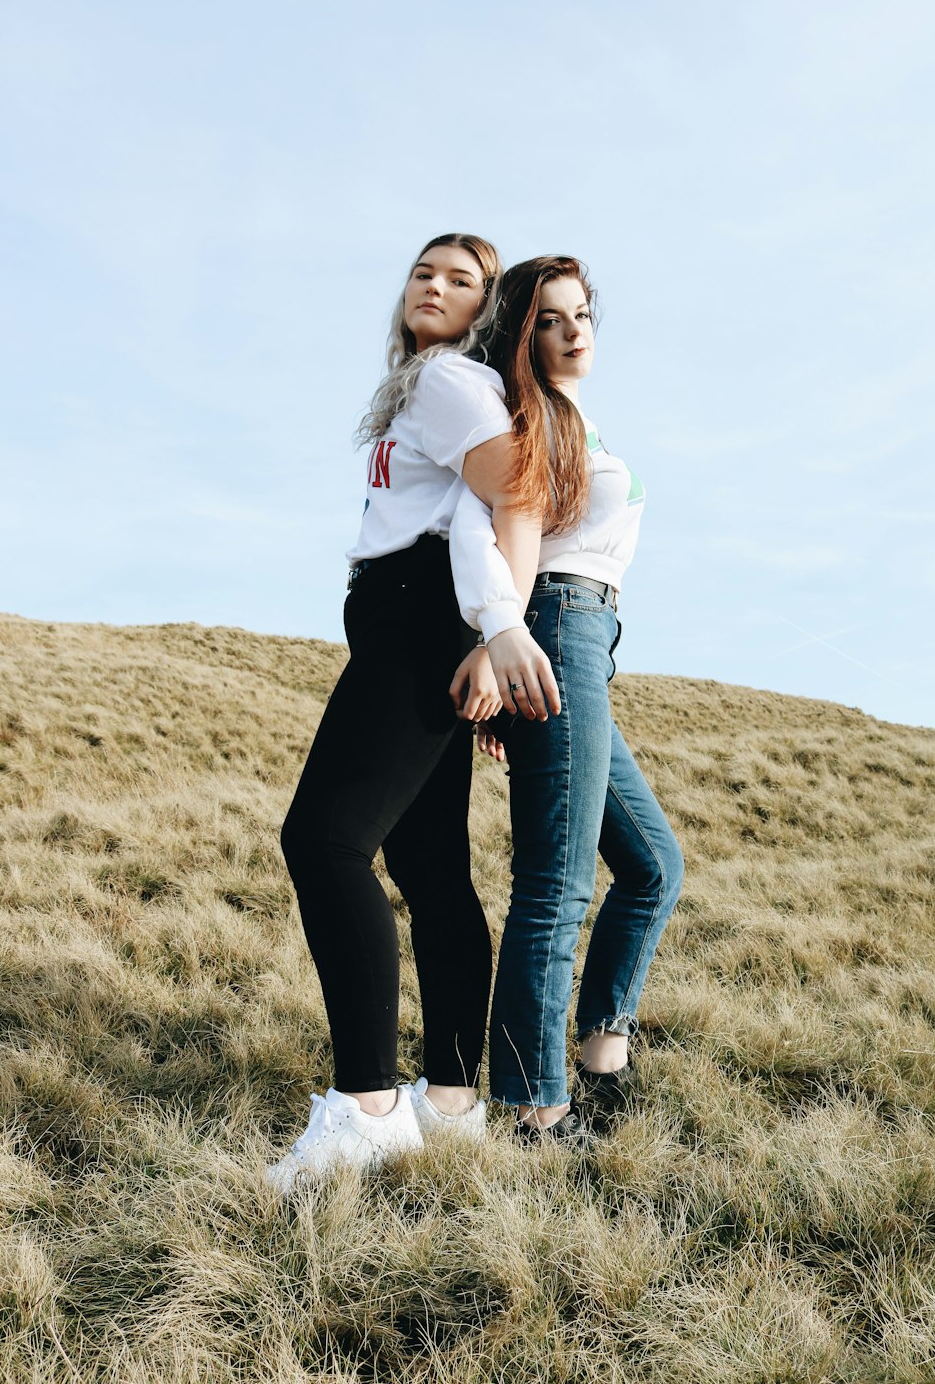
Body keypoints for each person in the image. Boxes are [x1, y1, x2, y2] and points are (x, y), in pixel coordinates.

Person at [266, 234, 558, 1189]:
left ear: (485, 311)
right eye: (423, 272)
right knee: (429, 870)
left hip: (419, 616)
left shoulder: (447, 382)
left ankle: (365, 1110)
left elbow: (516, 493)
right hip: (424, 619)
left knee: (324, 840)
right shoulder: (430, 386)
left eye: (461, 281)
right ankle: (451, 1103)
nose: (433, 287)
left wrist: (498, 631)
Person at [450, 255, 685, 1143]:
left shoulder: (577, 416)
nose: (574, 330)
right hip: (553, 626)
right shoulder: (522, 418)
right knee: (554, 882)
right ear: (523, 333)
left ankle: (600, 1058)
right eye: (550, 318)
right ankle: (531, 1108)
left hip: (589, 636)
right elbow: (489, 528)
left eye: (582, 314)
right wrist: (496, 643)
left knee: (654, 865)